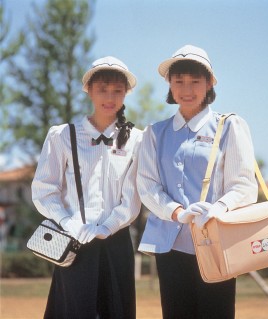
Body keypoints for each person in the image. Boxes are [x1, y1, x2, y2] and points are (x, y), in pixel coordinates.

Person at [137, 45, 258, 319]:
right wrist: (177, 213)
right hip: (171, 245)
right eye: (178, 81)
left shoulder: (230, 126)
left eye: (195, 81)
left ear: (209, 84)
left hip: (217, 243)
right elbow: (147, 186)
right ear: (169, 84)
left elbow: (244, 185)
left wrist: (219, 208)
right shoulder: (154, 134)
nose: (186, 89)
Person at [31, 56, 142, 319]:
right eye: (102, 89)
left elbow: (132, 196)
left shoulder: (138, 139)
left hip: (116, 242)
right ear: (89, 90)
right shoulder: (62, 135)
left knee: (117, 310)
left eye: (118, 90)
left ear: (126, 93)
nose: (110, 97)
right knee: (72, 310)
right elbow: (44, 189)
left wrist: (107, 227)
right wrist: (68, 222)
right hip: (72, 241)